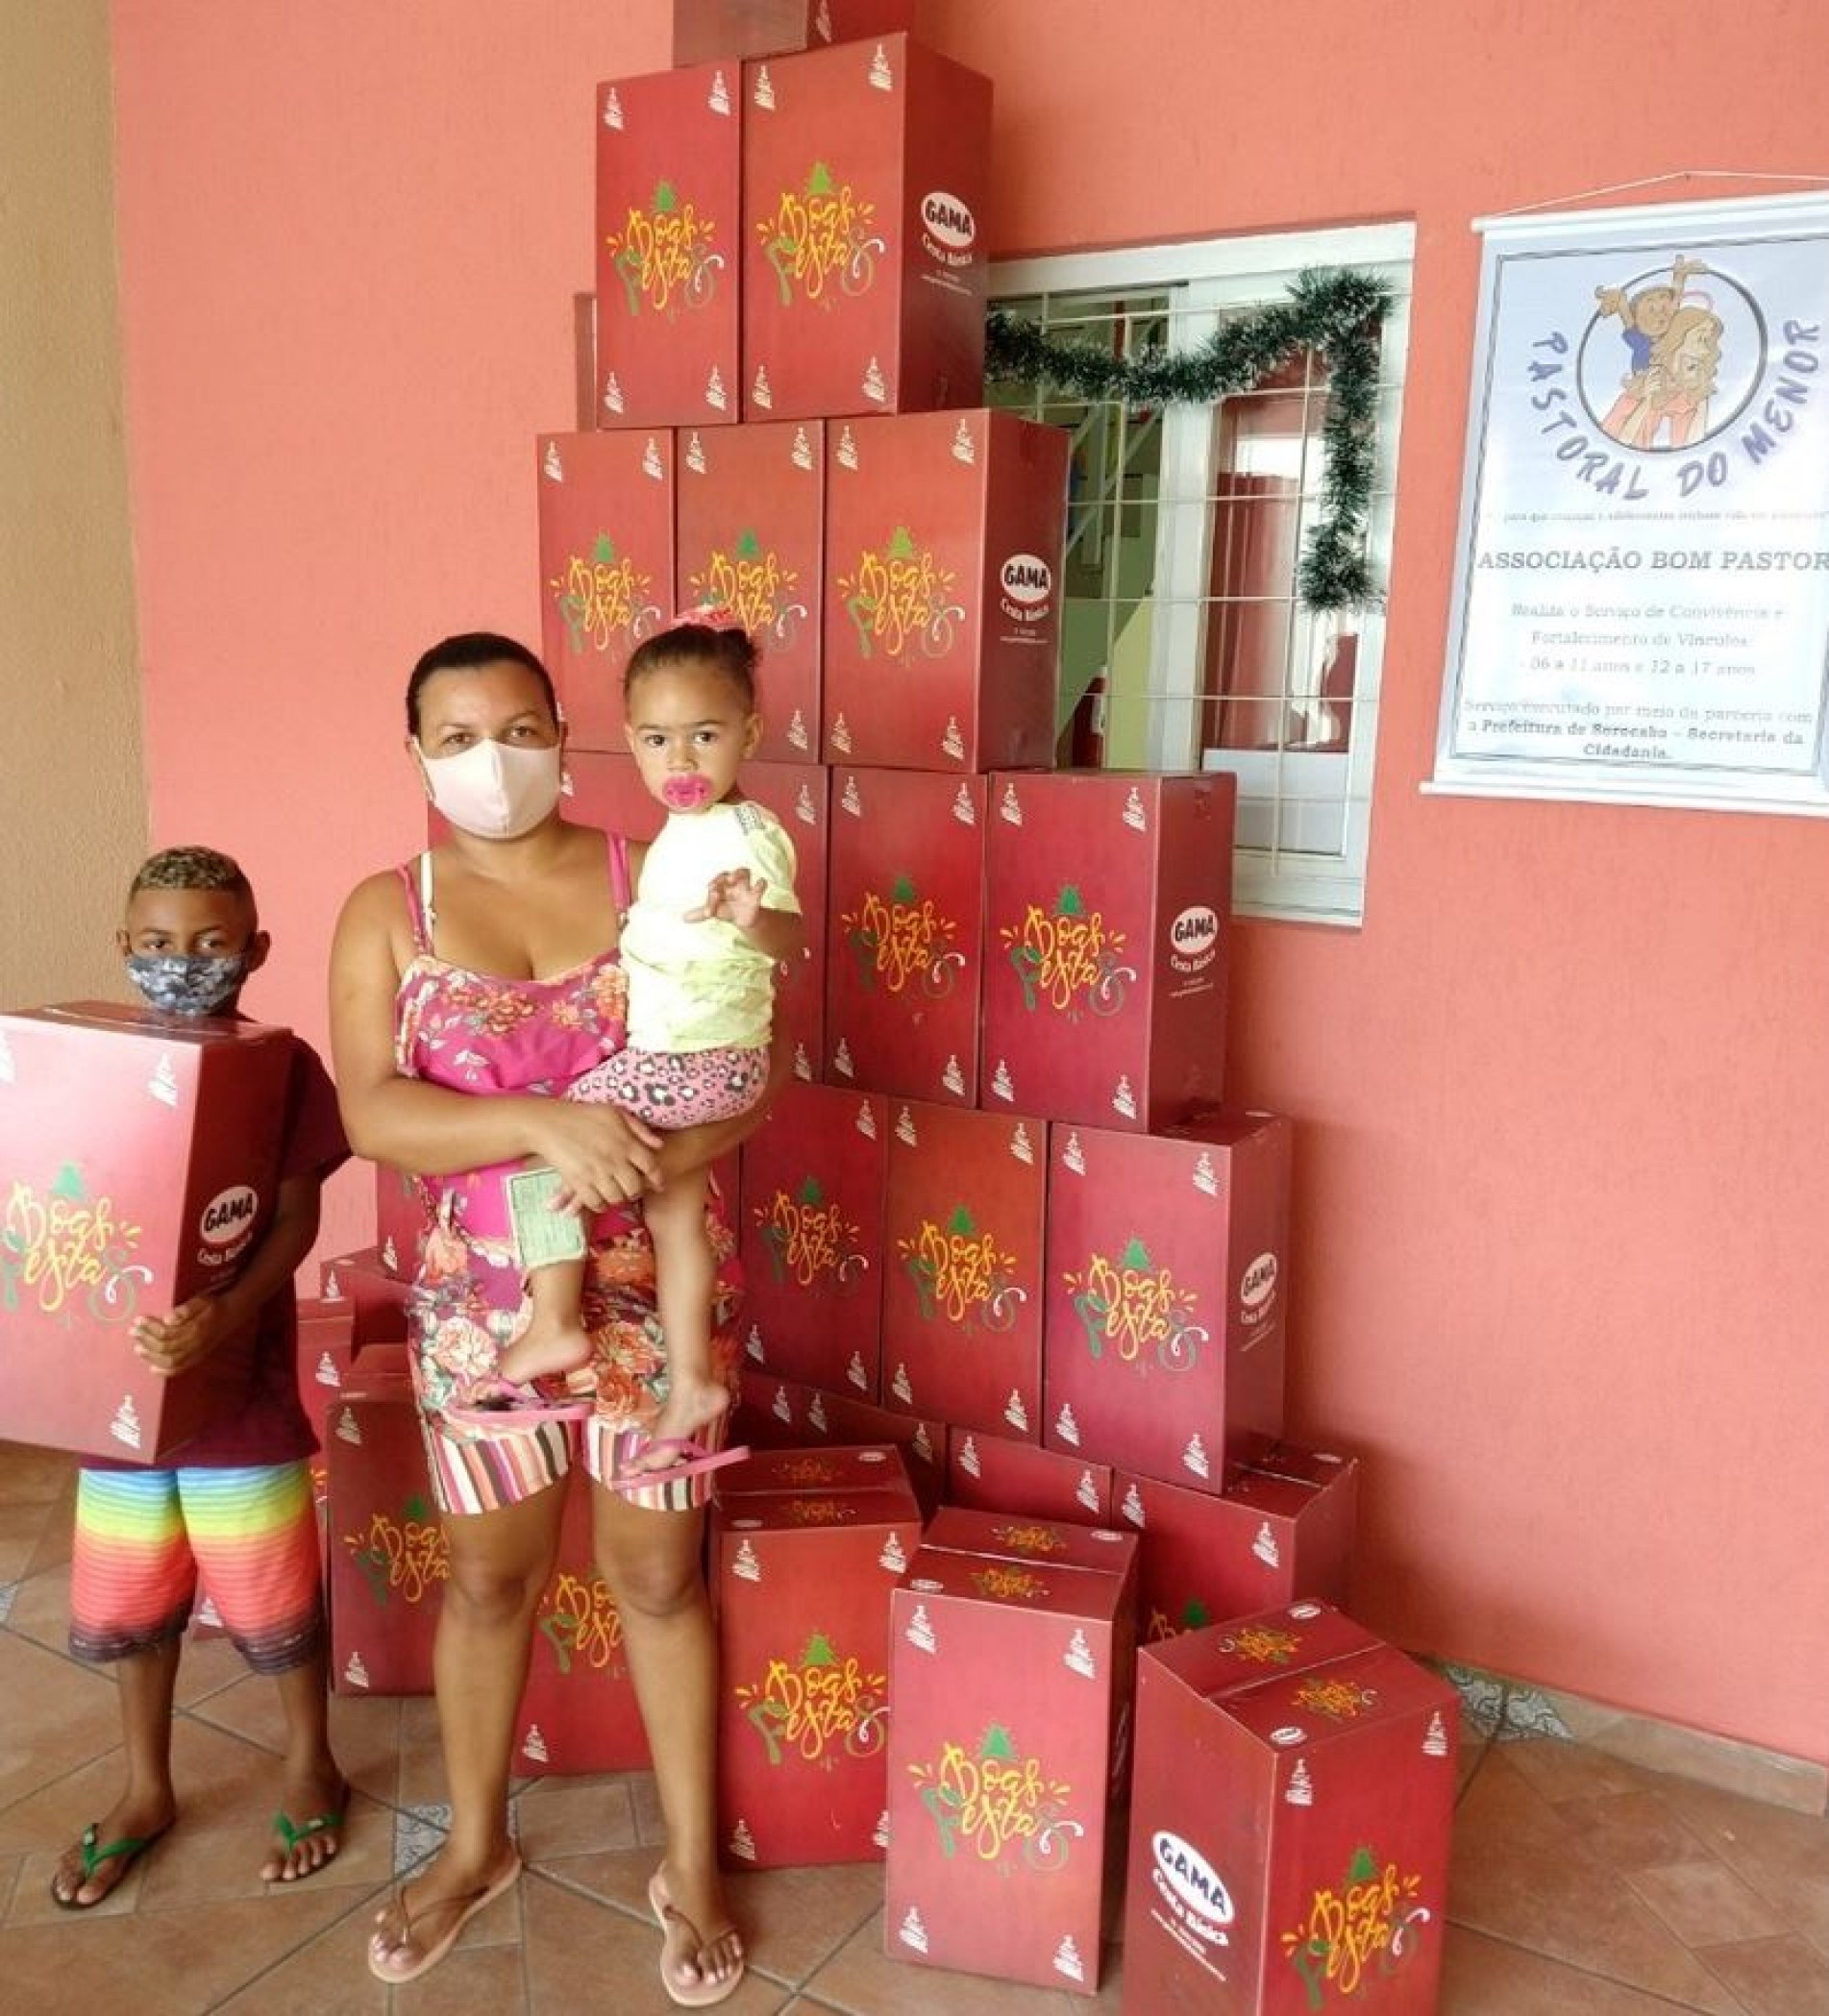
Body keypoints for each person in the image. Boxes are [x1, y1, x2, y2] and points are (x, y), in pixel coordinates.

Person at [330, 631, 779, 2001]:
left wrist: (650, 1155)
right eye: (458, 738)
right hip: (482, 1319)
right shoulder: (387, 908)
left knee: (660, 1580)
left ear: (565, 732)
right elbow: (372, 1111)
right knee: (487, 1583)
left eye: (519, 729)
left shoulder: (660, 871)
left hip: (658, 1301)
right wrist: (544, 1122)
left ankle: (689, 1866)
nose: (493, 760)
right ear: (415, 755)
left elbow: (746, 1061)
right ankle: (475, 1846)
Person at [51, 847, 350, 1908]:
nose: (183, 963)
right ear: (122, 945)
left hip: (239, 1390)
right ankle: (146, 1786)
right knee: (133, 1593)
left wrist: (224, 1313)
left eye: (211, 943)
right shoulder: (88, 1064)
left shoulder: (281, 1067)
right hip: (119, 1396)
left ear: (256, 949)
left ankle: (311, 1762)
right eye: (158, 943)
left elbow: (297, 1214)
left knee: (270, 1589)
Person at [459, 614, 802, 1484]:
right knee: (674, 1214)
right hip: (700, 1057)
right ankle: (691, 1385)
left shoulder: (746, 836)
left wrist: (752, 917)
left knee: (551, 1146)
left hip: (697, 1061)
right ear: (630, 743)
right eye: (657, 740)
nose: (680, 760)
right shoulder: (682, 834)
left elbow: (790, 939)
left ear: (750, 733)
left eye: (704, 736)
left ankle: (552, 1325)